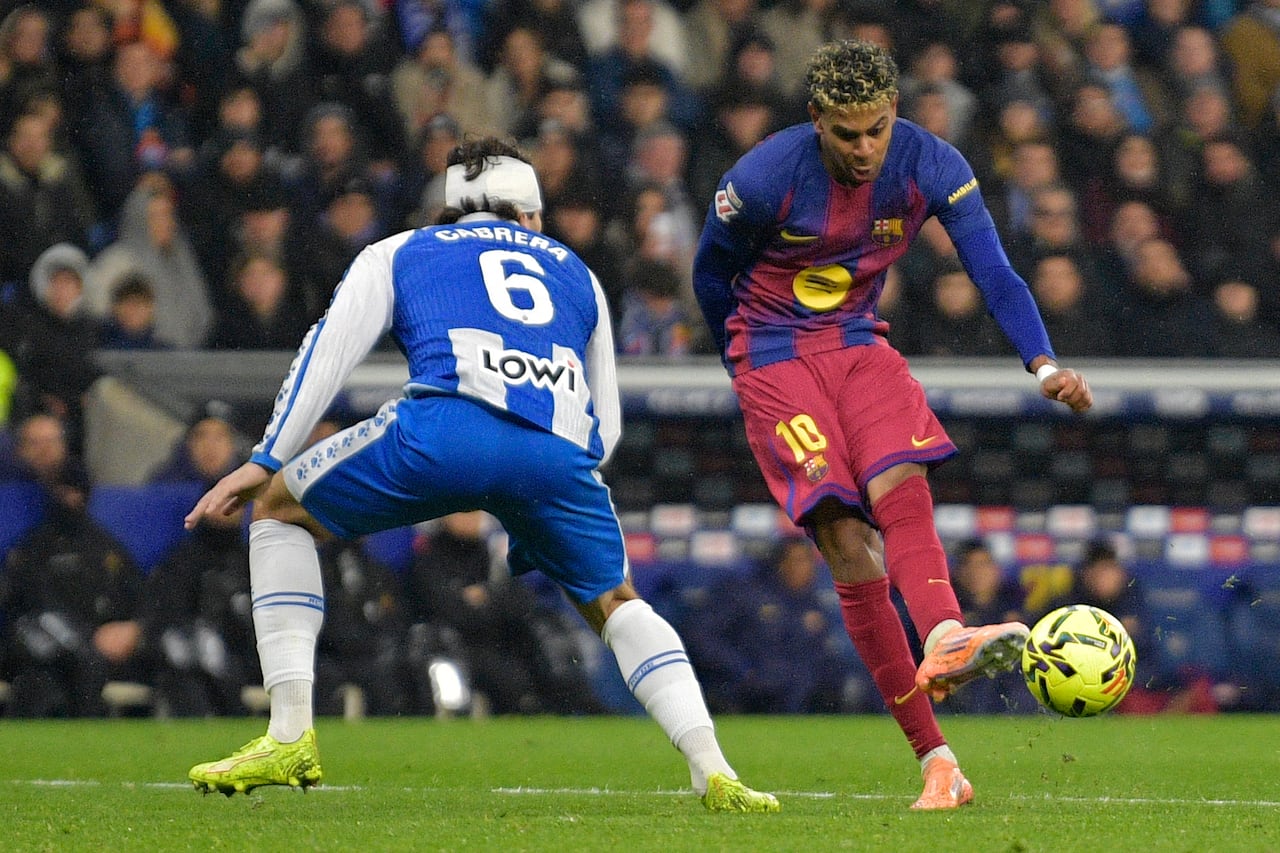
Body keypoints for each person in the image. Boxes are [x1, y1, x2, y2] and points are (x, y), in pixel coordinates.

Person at [184, 137, 777, 812]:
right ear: (527, 213)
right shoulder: (576, 272)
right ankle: (714, 768)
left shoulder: (403, 249)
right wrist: (536, 503)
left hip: (444, 432)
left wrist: (265, 458)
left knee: (279, 510)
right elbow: (604, 426)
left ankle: (289, 731)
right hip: (556, 458)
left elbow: (327, 352)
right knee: (616, 601)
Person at [692, 39, 1093, 809]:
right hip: (774, 355)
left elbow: (992, 267)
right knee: (846, 536)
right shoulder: (762, 178)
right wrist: (741, 367)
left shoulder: (931, 163)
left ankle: (945, 635)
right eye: (847, 133)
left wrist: (1042, 364)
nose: (865, 147)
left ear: (894, 113)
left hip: (856, 343)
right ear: (816, 121)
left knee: (900, 478)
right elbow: (712, 275)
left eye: (877, 127)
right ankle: (936, 758)